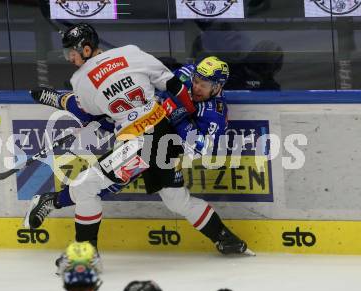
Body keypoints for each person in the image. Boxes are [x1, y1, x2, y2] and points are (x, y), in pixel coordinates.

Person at [23, 22, 250, 257]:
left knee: (170, 200)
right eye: (197, 80)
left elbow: (199, 148)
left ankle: (61, 217)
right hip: (138, 134)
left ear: (218, 87)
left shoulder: (214, 113)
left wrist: (179, 117)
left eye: (204, 85)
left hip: (160, 145)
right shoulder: (186, 75)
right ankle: (83, 249)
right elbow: (160, 82)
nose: (197, 87)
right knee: (100, 186)